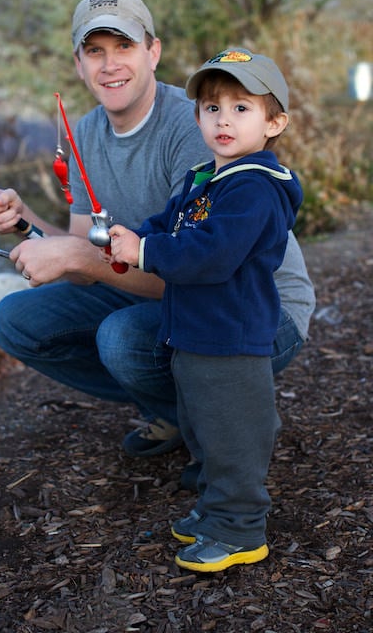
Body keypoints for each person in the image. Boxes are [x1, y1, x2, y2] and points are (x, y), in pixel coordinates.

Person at [0, 0, 314, 488]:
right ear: (79, 63)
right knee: (17, 321)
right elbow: (85, 254)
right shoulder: (85, 132)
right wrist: (24, 224)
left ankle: (222, 429)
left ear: (153, 52)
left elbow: (201, 270)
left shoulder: (200, 125)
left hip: (256, 310)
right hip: (172, 285)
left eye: (123, 47)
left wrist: (81, 258)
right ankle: (175, 409)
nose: (109, 65)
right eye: (95, 51)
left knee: (123, 338)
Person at [108, 47, 302, 572]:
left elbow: (212, 254)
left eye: (242, 109)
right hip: (194, 335)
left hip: (232, 338)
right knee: (203, 428)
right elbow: (166, 222)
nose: (224, 119)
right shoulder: (207, 179)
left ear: (274, 122)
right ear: (196, 117)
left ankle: (240, 530)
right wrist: (136, 235)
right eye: (213, 108)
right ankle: (215, 511)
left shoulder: (256, 189)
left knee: (235, 432)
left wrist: (145, 254)